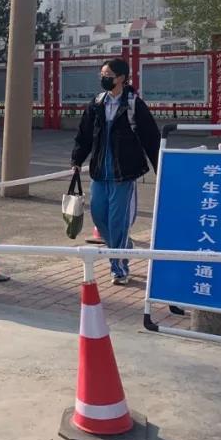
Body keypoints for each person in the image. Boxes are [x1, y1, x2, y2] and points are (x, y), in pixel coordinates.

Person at [71, 58, 161, 285]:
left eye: (107, 75)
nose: (103, 78)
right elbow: (84, 135)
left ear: (121, 78)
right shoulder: (96, 103)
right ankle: (124, 247)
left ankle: (119, 268)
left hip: (124, 174)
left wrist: (160, 167)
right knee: (99, 217)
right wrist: (77, 159)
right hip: (100, 172)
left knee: (117, 222)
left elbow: (151, 139)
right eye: (101, 74)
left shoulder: (134, 105)